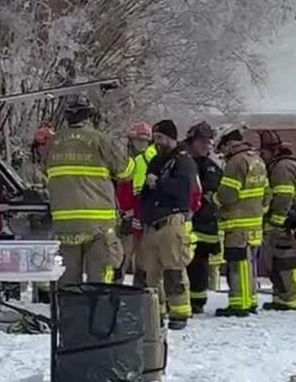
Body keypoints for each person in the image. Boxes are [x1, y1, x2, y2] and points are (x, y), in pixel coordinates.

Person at [45, 94, 133, 286]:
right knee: (100, 280)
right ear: (90, 116)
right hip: (98, 224)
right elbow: (126, 171)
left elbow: (46, 175)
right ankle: (99, 315)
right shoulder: (101, 140)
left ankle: (69, 315)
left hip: (64, 224)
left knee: (67, 282)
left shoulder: (52, 143)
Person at [140, 120, 198, 330]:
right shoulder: (156, 161)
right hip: (152, 224)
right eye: (154, 138)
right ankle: (157, 312)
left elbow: (184, 190)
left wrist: (160, 183)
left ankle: (180, 313)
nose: (156, 142)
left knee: (174, 270)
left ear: (171, 138)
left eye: (160, 138)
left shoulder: (184, 162)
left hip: (172, 222)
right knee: (152, 274)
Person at [213, 125, 270, 317]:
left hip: (237, 225)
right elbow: (267, 194)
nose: (222, 153)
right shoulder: (258, 160)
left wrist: (213, 199)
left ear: (229, 143)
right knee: (250, 263)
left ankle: (239, 304)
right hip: (255, 224)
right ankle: (251, 300)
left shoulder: (236, 163)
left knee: (238, 264)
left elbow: (228, 196)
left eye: (222, 148)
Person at [258, 130, 296, 311]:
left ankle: (289, 299)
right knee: (279, 261)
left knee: (286, 261)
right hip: (289, 221)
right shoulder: (283, 165)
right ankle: (281, 297)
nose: (262, 157)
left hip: (287, 224)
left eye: (263, 153)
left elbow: (283, 198)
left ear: (272, 150)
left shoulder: (282, 168)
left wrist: (274, 223)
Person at [183, 122, 222, 314]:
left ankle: (197, 301)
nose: (207, 146)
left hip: (205, 226)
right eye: (202, 141)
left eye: (209, 142)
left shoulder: (212, 168)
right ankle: (180, 301)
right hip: (183, 222)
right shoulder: (180, 162)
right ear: (191, 141)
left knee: (200, 264)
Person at [114, 122, 156, 285]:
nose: (142, 144)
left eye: (145, 141)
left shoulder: (148, 160)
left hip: (142, 217)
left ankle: (139, 294)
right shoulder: (126, 160)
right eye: (138, 140)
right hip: (128, 216)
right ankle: (115, 291)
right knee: (122, 259)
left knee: (142, 262)